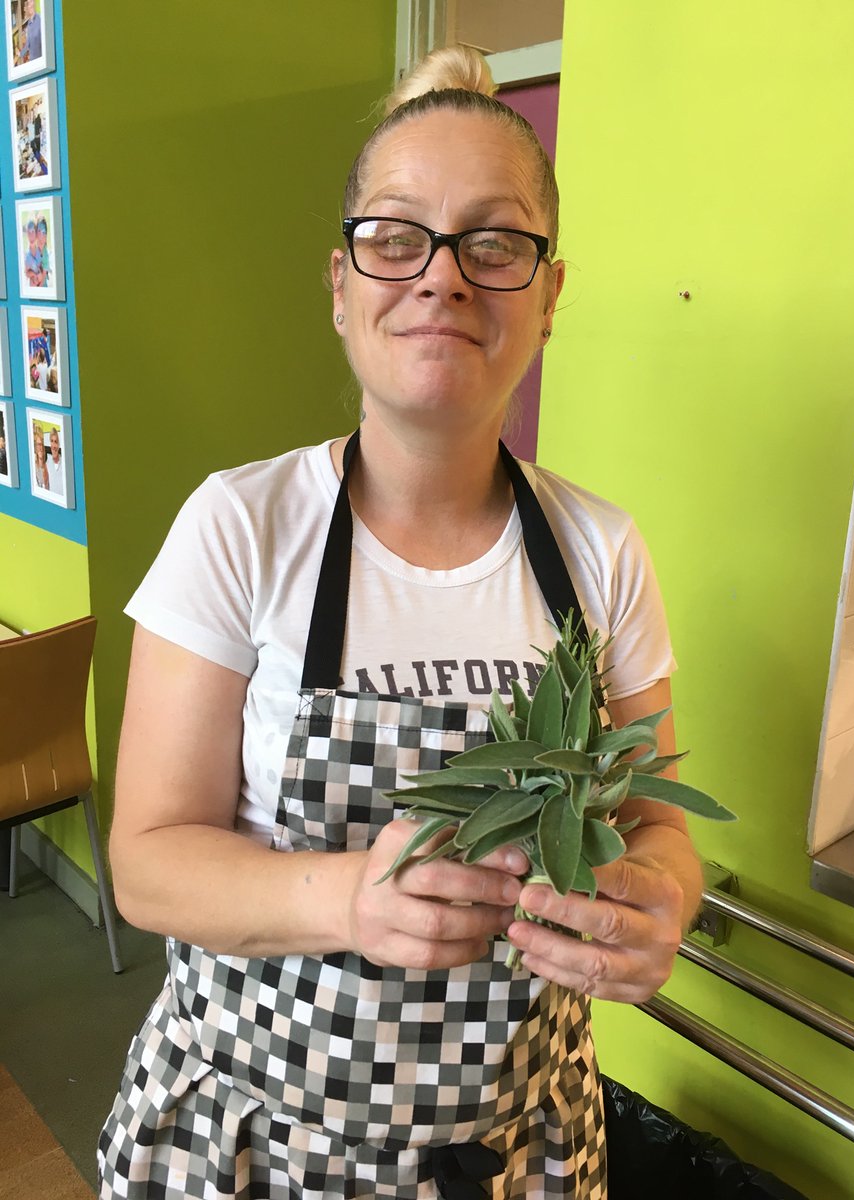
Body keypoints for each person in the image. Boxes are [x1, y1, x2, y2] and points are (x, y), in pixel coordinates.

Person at [98, 46, 702, 1199]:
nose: (444, 277)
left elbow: (657, 822)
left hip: (516, 1147)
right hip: (263, 1144)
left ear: (551, 292)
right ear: (340, 286)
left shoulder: (603, 552)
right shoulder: (240, 528)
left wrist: (660, 900)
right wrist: (348, 900)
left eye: (494, 241)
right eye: (397, 237)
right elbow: (147, 864)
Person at [46, 427, 63, 496]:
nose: (53, 446)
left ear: (59, 445)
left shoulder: (64, 461)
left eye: (56, 442)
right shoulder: (47, 462)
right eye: (51, 441)